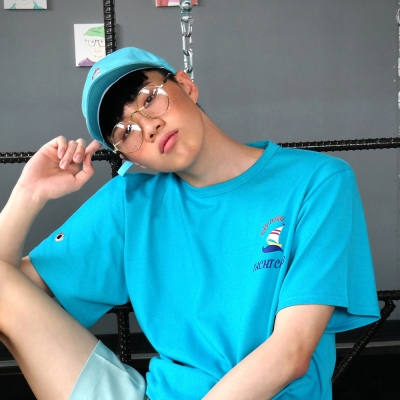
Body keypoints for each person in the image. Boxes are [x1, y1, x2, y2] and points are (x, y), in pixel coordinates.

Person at [0, 47, 380, 399]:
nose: (147, 127)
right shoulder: (130, 201)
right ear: (133, 158)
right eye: (125, 132)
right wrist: (28, 195)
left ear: (186, 85)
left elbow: (291, 353)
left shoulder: (317, 180)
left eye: (149, 99)